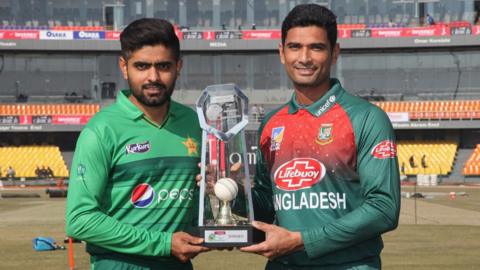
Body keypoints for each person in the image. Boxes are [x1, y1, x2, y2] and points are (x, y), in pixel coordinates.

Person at [239, 4, 400, 269]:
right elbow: (267, 205)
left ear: (334, 53)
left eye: (316, 47)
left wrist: (302, 240)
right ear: (281, 53)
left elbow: (384, 209)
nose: (304, 58)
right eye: (294, 47)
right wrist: (232, 192)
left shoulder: (366, 117)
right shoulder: (271, 123)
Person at [65, 18, 208, 270]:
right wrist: (163, 243)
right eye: (142, 66)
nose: (153, 77)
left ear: (178, 66)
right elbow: (80, 220)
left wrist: (225, 190)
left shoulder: (196, 124)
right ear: (124, 66)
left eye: (163, 66)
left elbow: (198, 204)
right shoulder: (101, 130)